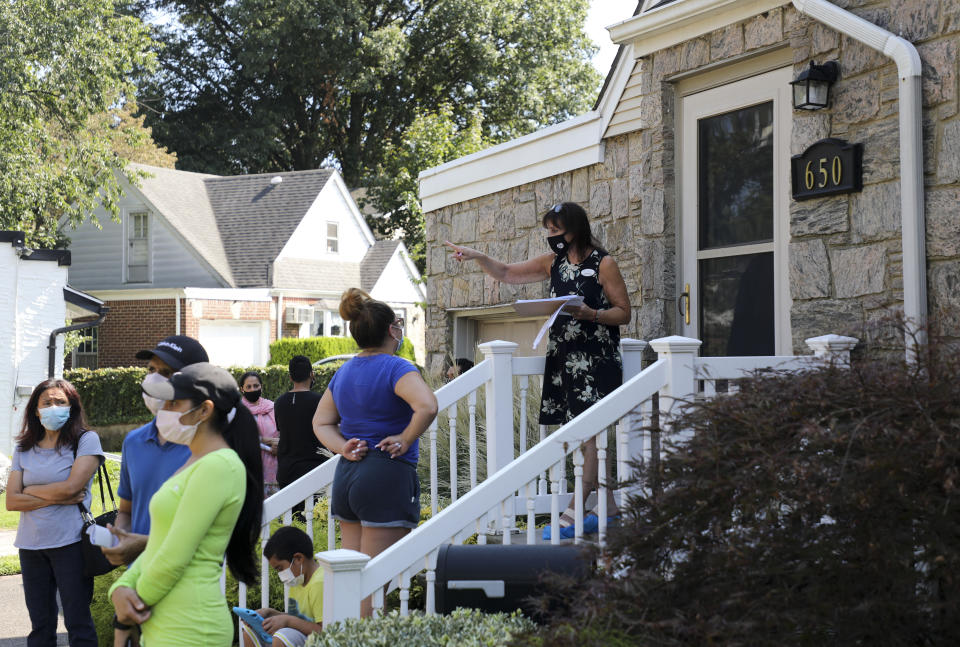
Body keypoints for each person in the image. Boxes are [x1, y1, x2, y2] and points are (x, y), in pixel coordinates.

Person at [445, 201, 631, 539]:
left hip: (596, 359)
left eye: (555, 230)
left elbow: (624, 312)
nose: (550, 236)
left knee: (591, 436)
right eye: (548, 230)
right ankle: (609, 507)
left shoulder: (604, 264)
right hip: (563, 357)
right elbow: (507, 273)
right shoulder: (553, 263)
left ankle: (576, 508)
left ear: (573, 230)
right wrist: (478, 256)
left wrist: (593, 315)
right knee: (580, 434)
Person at [109, 363, 263, 647]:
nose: (163, 409)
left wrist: (132, 605)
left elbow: (174, 554)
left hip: (191, 628)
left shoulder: (220, 465)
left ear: (204, 410)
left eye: (174, 402)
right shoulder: (195, 462)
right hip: (165, 624)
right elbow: (160, 542)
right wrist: (121, 588)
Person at [313, 288, 438, 616]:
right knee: (373, 583)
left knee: (350, 577)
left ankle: (341, 637)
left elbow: (321, 422)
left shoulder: (343, 372)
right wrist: (406, 438)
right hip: (385, 474)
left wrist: (344, 447)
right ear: (389, 331)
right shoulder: (396, 367)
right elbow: (426, 406)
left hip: (348, 476)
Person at [103, 335, 208, 647]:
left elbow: (209, 534)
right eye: (151, 370)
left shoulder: (209, 448)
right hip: (137, 590)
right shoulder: (134, 442)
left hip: (188, 593)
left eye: (166, 372)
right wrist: (119, 537)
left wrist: (142, 546)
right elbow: (126, 509)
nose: (154, 379)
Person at [5, 378, 104, 646]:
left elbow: (73, 488)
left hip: (70, 543)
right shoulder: (24, 447)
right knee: (40, 626)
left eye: (60, 402)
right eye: (46, 402)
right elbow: (12, 501)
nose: (53, 406)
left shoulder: (86, 440)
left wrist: (32, 490)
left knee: (78, 622)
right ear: (35, 410)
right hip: (30, 545)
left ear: (72, 407)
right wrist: (59, 494)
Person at [239, 526, 323, 647]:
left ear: (298, 558)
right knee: (249, 630)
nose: (280, 574)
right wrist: (270, 613)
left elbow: (325, 631)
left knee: (282, 637)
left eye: (280, 568)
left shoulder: (319, 583)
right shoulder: (298, 579)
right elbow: (298, 619)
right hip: (299, 636)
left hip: (316, 640)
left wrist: (288, 621)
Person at [274, 356, 326, 517]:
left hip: (286, 470)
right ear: (312, 374)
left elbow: (281, 430)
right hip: (314, 470)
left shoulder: (279, 402)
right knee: (314, 521)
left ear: (290, 377)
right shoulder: (320, 401)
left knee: (290, 520)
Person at [239, 371, 279, 497]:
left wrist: (279, 443)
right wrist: (268, 440)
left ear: (261, 386)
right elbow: (241, 436)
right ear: (242, 389)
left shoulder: (272, 407)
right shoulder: (238, 411)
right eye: (248, 387)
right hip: (249, 465)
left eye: (256, 386)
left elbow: (283, 430)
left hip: (274, 465)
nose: (253, 389)